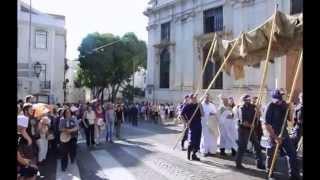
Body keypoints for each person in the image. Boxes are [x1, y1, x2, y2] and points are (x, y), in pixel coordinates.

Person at [265, 90, 300, 180]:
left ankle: (294, 175)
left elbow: (290, 120)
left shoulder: (285, 105)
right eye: (278, 99)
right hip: (273, 134)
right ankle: (270, 173)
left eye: (281, 99)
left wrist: (290, 109)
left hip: (284, 134)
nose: (280, 101)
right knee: (272, 154)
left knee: (292, 153)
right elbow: (267, 124)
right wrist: (275, 137)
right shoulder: (270, 106)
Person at [234, 94, 265, 169]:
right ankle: (238, 163)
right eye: (247, 100)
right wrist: (250, 125)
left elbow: (259, 116)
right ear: (244, 100)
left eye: (249, 100)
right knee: (242, 146)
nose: (249, 101)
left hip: (251, 129)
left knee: (257, 145)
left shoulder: (253, 107)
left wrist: (258, 110)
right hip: (243, 129)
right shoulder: (240, 108)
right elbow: (242, 121)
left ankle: (259, 163)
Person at [181, 94, 203, 161]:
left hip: (198, 124)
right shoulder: (187, 106)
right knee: (192, 140)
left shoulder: (198, 105)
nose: (195, 99)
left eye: (196, 98)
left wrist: (200, 106)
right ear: (190, 99)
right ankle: (188, 153)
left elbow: (203, 114)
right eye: (193, 98)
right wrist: (186, 122)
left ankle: (194, 154)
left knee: (197, 140)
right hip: (192, 125)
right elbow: (181, 115)